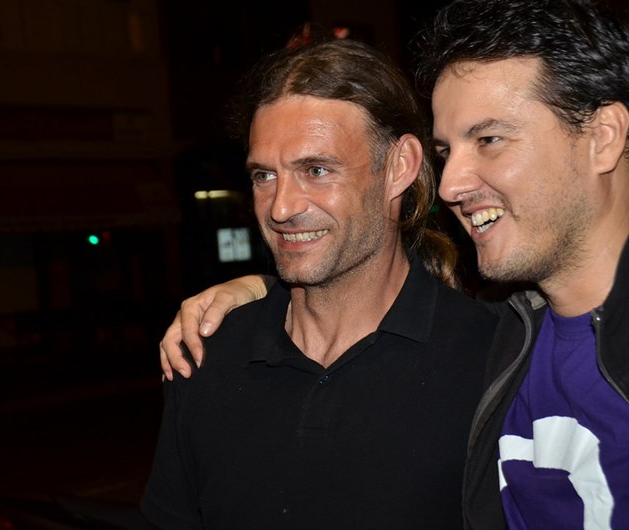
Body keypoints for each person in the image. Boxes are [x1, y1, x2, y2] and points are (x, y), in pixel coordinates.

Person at [159, 1, 629, 528]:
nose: (451, 184)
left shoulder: (483, 352)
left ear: (604, 136)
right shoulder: (518, 343)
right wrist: (259, 290)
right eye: (263, 175)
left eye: (490, 140)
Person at [142, 38, 497, 529]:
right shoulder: (205, 355)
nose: (280, 207)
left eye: (315, 170)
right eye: (264, 175)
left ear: (399, 167)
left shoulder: (493, 359)